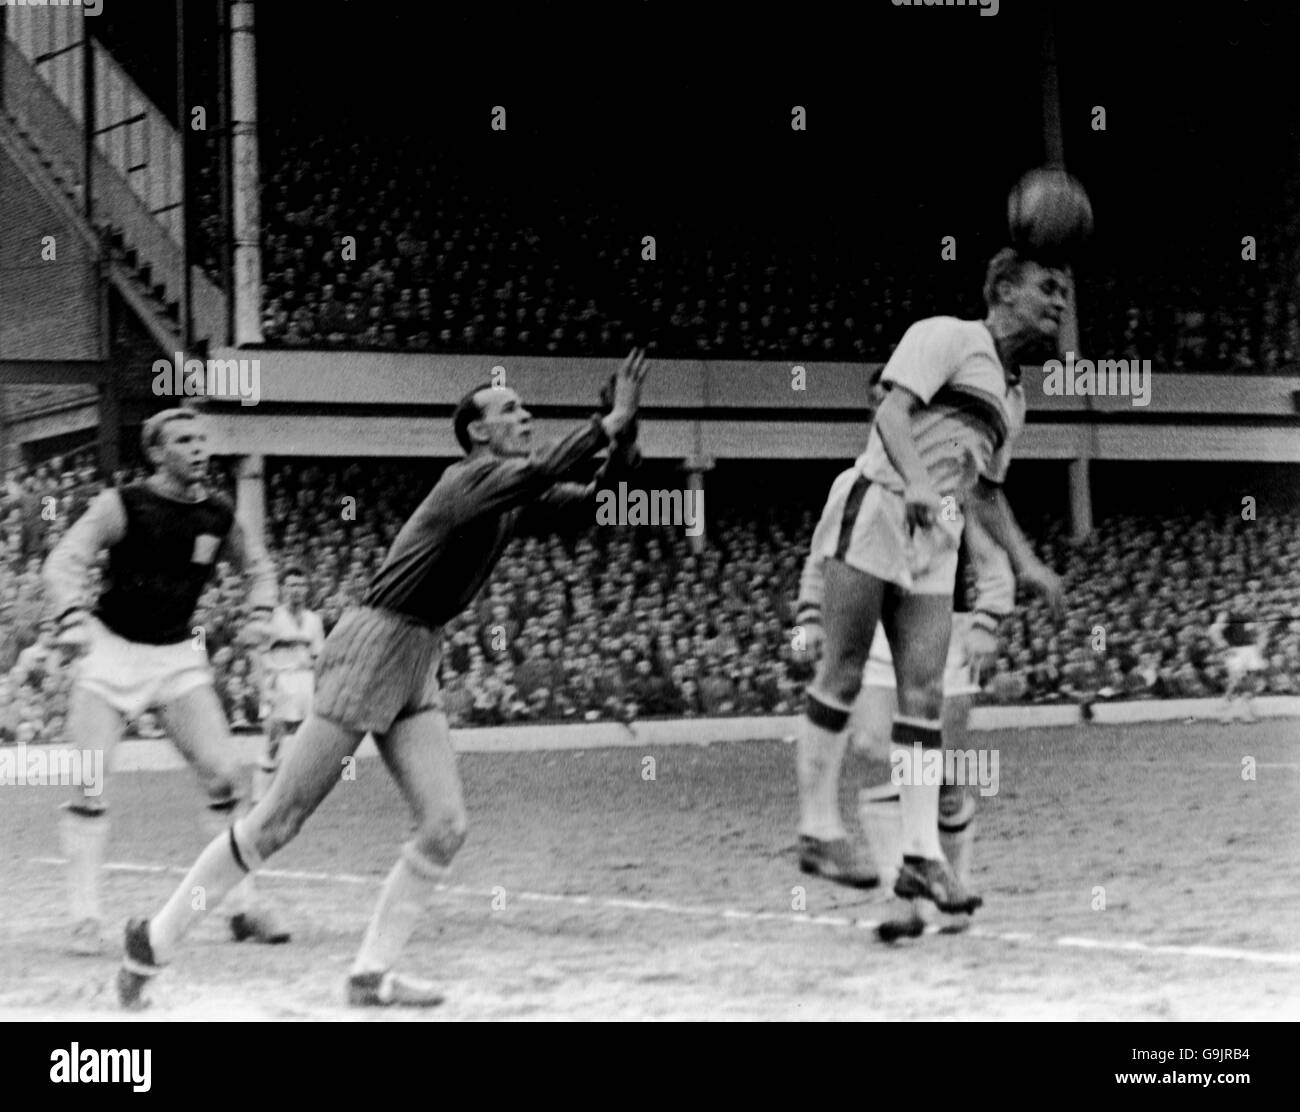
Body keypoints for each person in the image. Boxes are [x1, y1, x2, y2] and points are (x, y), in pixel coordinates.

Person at [117, 349, 649, 1009]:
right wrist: (606, 424)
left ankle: (370, 975)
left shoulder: (512, 496)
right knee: (279, 819)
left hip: (418, 650)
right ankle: (155, 940)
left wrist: (623, 434)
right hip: (375, 640)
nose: (526, 414)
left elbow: (602, 505)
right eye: (510, 409)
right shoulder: (470, 480)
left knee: (445, 824)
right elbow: (545, 469)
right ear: (479, 432)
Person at [793, 248, 1065, 917]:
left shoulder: (1014, 397)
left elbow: (988, 495)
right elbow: (890, 414)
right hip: (883, 499)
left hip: (936, 534)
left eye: (1064, 291)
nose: (1060, 302)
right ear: (1004, 289)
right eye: (1047, 288)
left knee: (923, 693)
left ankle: (921, 856)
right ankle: (819, 828)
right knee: (845, 670)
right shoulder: (946, 335)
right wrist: (916, 480)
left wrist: (1026, 564)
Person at [42, 409, 287, 956]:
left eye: (202, 438)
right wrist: (70, 616)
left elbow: (259, 569)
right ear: (157, 453)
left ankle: (243, 907)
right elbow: (64, 561)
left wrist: (261, 613)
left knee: (225, 776)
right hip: (110, 652)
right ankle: (84, 918)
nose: (198, 448)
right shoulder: (123, 504)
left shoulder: (219, 513)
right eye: (183, 440)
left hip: (177, 655)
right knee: (88, 781)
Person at [256, 566, 325, 802]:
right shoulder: (272, 618)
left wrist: (320, 688)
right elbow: (258, 655)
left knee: (302, 741)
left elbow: (318, 658)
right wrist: (264, 689)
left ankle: (291, 796)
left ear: (306, 589)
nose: (296, 590)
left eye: (300, 585)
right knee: (274, 741)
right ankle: (260, 797)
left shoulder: (314, 620)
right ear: (283, 589)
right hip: (280, 681)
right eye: (291, 585)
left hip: (305, 682)